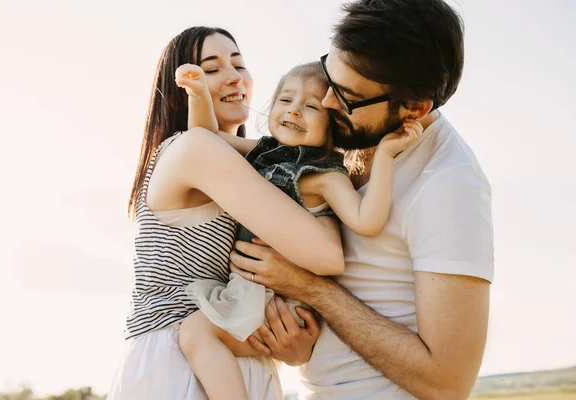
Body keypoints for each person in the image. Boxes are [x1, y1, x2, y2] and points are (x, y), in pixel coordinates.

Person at [230, 1, 495, 399]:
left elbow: (448, 383)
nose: (329, 103)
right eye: (330, 80)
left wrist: (310, 288)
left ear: (415, 107)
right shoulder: (348, 138)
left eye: (348, 96)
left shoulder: (449, 186)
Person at [107, 26, 347, 400]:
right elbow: (327, 253)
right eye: (212, 68)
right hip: (177, 364)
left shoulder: (260, 172)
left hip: (229, 355)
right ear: (184, 86)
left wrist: (292, 348)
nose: (234, 76)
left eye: (239, 64)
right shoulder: (192, 148)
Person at [174, 61, 422, 399]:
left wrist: (386, 157)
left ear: (334, 123)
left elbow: (367, 220)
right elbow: (205, 141)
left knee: (195, 333)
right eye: (285, 100)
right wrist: (199, 94)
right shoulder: (265, 151)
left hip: (280, 306)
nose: (294, 111)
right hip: (253, 295)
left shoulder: (326, 174)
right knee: (196, 334)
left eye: (310, 106)